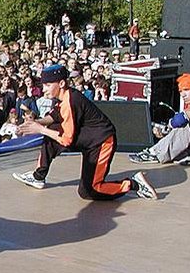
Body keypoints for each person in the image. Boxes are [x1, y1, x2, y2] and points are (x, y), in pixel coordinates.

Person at [12, 64, 158, 200]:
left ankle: (134, 184)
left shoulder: (70, 101)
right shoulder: (65, 97)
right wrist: (36, 123)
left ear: (61, 84)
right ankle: (38, 176)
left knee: (89, 190)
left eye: (48, 85)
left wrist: (41, 130)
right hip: (89, 139)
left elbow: (66, 140)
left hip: (102, 142)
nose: (44, 89)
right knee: (52, 132)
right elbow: (55, 116)